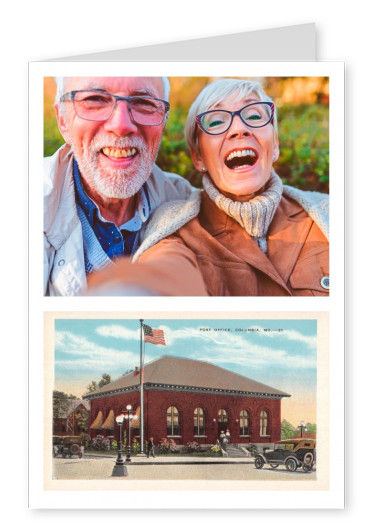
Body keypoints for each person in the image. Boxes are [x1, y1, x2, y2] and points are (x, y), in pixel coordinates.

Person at [87, 78, 329, 296]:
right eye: (216, 121)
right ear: (198, 157)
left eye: (254, 116)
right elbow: (165, 271)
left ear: (274, 144)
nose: (239, 129)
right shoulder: (177, 229)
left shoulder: (328, 213)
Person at [44, 76, 199, 296]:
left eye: (144, 103)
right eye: (95, 99)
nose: (121, 126)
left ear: (163, 121)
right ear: (62, 120)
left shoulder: (187, 204)